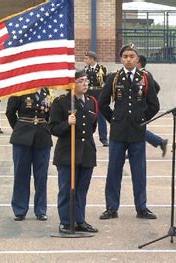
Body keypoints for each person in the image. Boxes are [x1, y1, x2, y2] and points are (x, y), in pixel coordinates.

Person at [98, 43, 160, 220]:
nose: (129, 59)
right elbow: (102, 103)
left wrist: (141, 118)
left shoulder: (145, 77)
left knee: (139, 172)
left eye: (132, 56)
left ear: (137, 59)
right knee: (114, 171)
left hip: (137, 132)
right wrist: (114, 119)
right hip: (118, 132)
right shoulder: (114, 78)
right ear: (121, 59)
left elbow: (155, 105)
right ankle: (111, 207)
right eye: (125, 56)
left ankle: (141, 207)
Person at [50, 69, 99, 234]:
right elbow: (53, 128)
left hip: (86, 153)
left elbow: (92, 127)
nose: (85, 83)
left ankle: (79, 220)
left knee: (81, 189)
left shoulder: (91, 101)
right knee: (66, 189)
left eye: (86, 80)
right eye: (80, 81)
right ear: (71, 84)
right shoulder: (61, 102)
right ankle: (65, 221)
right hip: (67, 153)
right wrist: (67, 123)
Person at [6, 87, 53, 221]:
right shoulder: (20, 89)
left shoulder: (46, 92)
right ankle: (20, 209)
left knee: (41, 175)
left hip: (42, 137)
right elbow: (10, 112)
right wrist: (19, 128)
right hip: (22, 137)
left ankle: (40, 210)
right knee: (21, 174)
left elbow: (49, 115)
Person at [137, 55, 168, 157]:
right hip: (140, 106)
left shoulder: (145, 74)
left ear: (139, 63)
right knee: (137, 129)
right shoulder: (141, 74)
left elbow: (156, 87)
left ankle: (160, 142)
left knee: (138, 129)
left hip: (142, 106)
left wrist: (148, 99)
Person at [84, 51, 109, 147]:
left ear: (92, 59)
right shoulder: (86, 69)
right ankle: (87, 136)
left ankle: (104, 138)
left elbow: (106, 84)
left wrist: (106, 96)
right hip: (89, 94)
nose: (85, 60)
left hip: (99, 94)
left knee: (101, 117)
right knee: (88, 116)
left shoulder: (102, 69)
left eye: (86, 58)